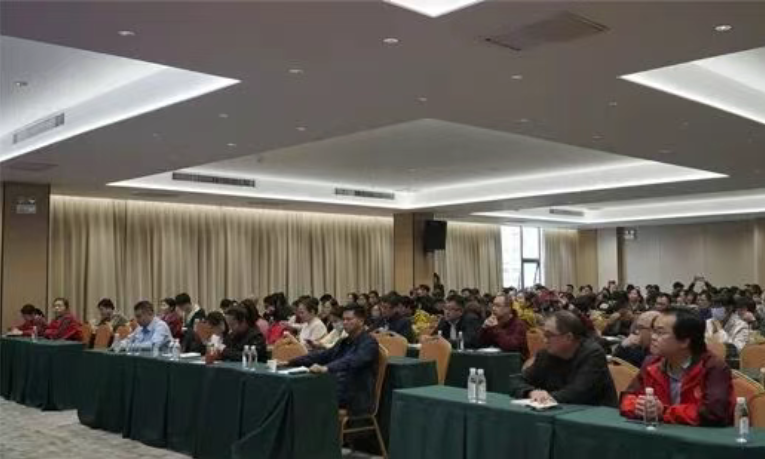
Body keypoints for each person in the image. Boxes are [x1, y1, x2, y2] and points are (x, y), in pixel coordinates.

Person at [620, 307, 734, 426]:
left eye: (660, 332)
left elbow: (713, 413)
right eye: (653, 331)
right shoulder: (652, 363)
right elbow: (627, 398)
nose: (653, 337)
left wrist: (664, 411)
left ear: (684, 341)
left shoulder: (713, 367)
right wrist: (639, 406)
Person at [510, 310, 617, 406]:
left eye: (549, 335)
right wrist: (531, 392)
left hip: (594, 415)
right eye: (544, 334)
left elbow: (578, 392)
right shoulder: (545, 355)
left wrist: (546, 397)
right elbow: (516, 381)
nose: (545, 340)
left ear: (568, 337)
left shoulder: (593, 354)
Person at [288, 304, 380, 415]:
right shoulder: (344, 341)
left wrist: (327, 368)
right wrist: (291, 361)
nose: (344, 322)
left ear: (361, 321)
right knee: (299, 391)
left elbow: (352, 360)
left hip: (356, 396)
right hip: (339, 388)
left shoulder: (369, 343)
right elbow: (322, 355)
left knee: (307, 395)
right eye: (343, 319)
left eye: (349, 319)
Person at [478, 294, 529, 358]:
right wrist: (484, 328)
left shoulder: (518, 324)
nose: (493, 308)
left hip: (514, 361)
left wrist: (496, 328)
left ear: (508, 308)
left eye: (498, 306)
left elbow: (511, 346)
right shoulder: (494, 322)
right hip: (495, 359)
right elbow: (480, 344)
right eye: (493, 305)